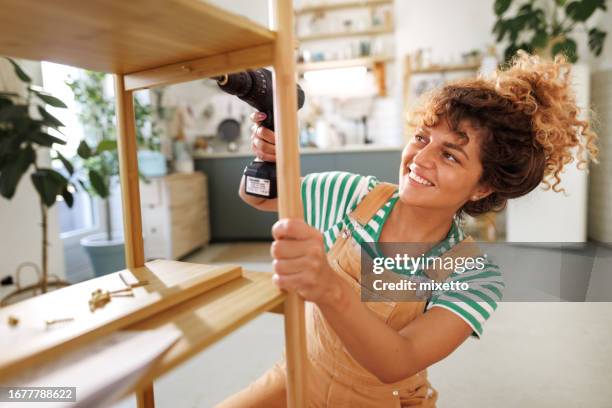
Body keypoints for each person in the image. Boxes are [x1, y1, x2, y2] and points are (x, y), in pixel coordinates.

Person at [217, 51, 598, 407]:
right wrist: (266, 159)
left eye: (450, 154)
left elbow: (398, 361)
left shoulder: (473, 275)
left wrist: (327, 286)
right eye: (421, 137)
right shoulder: (351, 196)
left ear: (482, 187)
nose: (421, 158)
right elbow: (262, 198)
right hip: (299, 374)